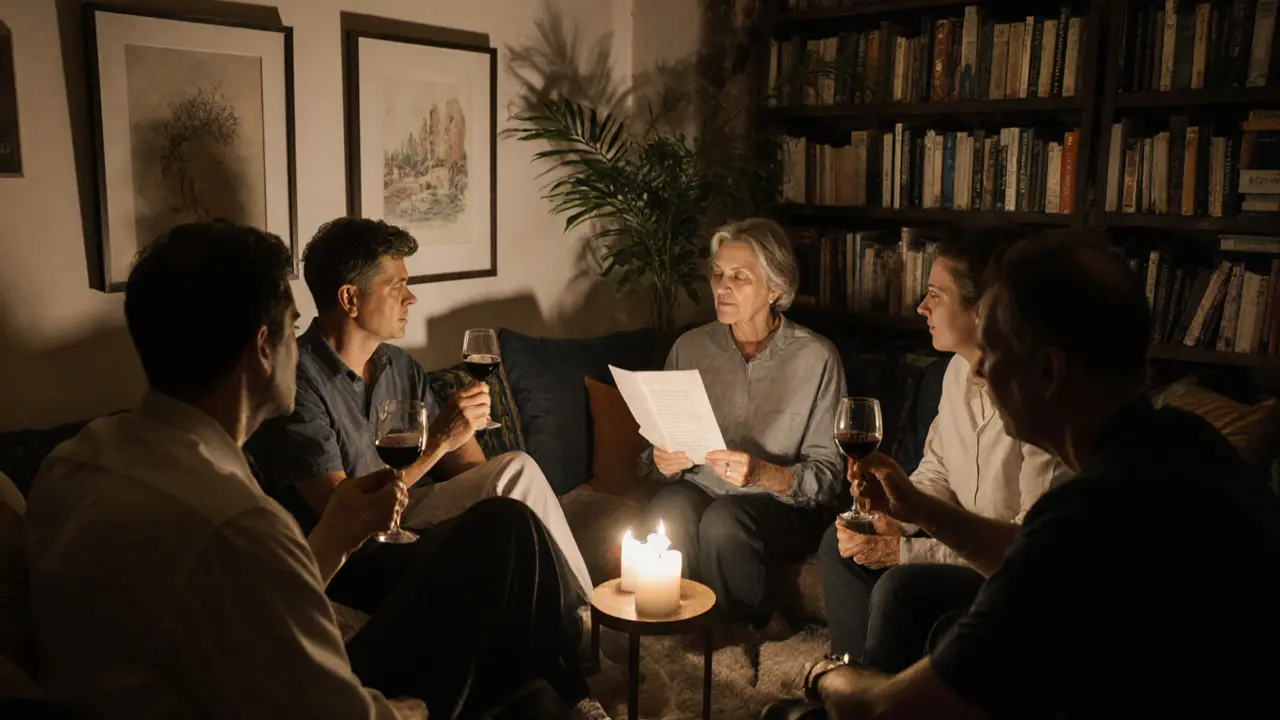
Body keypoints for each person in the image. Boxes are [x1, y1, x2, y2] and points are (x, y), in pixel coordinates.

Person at [23, 221, 608, 720]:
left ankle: (555, 689)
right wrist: (412, 710)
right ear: (262, 347)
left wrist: (329, 539)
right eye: (291, 320)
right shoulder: (232, 523)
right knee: (505, 546)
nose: (299, 342)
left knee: (508, 558)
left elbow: (246, 629)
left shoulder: (75, 458)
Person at [776, 233, 1280, 719]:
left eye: (993, 354)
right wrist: (918, 507)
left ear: (1047, 371)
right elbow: (1023, 556)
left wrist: (824, 674)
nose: (981, 374)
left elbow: (885, 709)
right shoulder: (1185, 441)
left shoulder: (1087, 516)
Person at [246, 217, 593, 617]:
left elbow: (472, 472)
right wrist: (441, 440)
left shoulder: (399, 367)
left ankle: (575, 617)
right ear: (349, 299)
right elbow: (340, 513)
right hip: (358, 547)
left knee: (514, 476)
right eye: (396, 287)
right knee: (514, 477)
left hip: (413, 510)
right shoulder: (299, 383)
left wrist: (463, 435)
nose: (410, 298)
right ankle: (586, 618)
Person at [817, 228, 1068, 671]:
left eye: (935, 294)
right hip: (958, 541)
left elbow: (1028, 553)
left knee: (901, 585)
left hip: (1006, 571)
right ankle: (856, 673)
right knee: (838, 545)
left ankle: (880, 698)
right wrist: (894, 512)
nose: (921, 306)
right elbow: (938, 467)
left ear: (981, 311)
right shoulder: (954, 373)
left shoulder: (1039, 398)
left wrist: (906, 551)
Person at [641, 218, 845, 629]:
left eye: (739, 277)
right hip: (701, 487)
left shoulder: (817, 358)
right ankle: (676, 630)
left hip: (780, 504)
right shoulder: (690, 347)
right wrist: (660, 460)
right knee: (667, 509)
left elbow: (828, 478)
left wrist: (764, 474)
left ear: (775, 289)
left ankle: (741, 634)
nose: (721, 287)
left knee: (723, 522)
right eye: (717, 274)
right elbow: (649, 454)